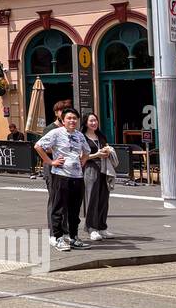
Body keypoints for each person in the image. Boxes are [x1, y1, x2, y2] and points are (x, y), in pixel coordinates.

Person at [35, 106, 89, 251]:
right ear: (63, 120)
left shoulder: (79, 135)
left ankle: (73, 237)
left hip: (77, 177)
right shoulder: (56, 133)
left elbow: (87, 151)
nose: (72, 121)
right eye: (69, 118)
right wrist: (50, 161)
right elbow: (38, 146)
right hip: (61, 175)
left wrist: (82, 162)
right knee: (58, 207)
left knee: (74, 209)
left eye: (74, 118)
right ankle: (57, 238)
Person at [80, 112, 116, 241]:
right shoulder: (81, 137)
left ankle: (102, 227)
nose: (94, 123)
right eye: (91, 121)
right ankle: (91, 228)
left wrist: (107, 152)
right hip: (90, 168)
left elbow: (105, 149)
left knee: (104, 198)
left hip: (104, 169)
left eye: (95, 120)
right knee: (92, 199)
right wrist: (97, 154)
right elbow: (81, 157)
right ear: (85, 123)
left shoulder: (101, 136)